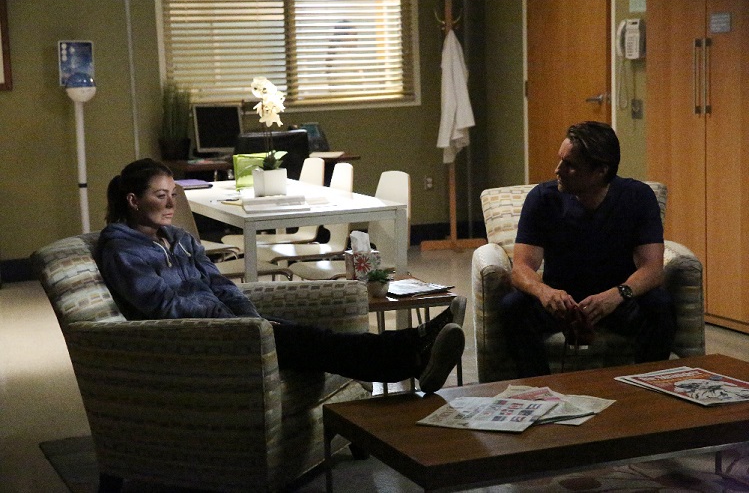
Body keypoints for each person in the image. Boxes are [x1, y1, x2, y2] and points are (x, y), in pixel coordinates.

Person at [96, 158, 465, 393]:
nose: (171, 204)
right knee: (314, 342)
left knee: (315, 339)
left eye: (173, 195)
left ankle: (414, 349)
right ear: (133, 200)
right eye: (160, 196)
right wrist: (234, 324)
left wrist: (250, 319)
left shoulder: (178, 238)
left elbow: (220, 285)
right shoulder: (122, 249)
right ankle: (414, 350)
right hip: (196, 340)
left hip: (231, 327)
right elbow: (165, 308)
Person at [500, 121, 676, 377]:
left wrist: (617, 295)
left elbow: (653, 269)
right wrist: (544, 292)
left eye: (569, 165)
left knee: (660, 305)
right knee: (513, 306)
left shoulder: (638, 197)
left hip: (616, 300)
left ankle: (646, 384)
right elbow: (521, 268)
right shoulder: (543, 198)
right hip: (561, 302)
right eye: (560, 160)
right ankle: (539, 386)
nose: (558, 170)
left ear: (601, 171)